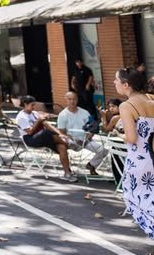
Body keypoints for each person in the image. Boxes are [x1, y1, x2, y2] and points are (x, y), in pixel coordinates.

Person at [114, 67, 154, 238]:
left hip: (140, 160)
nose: (114, 83)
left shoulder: (126, 105)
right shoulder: (152, 99)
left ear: (126, 85)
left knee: (134, 197)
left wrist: (118, 134)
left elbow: (131, 138)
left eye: (116, 80)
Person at [15, 95, 77, 181]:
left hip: (44, 137)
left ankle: (67, 173)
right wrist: (38, 121)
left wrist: (60, 133)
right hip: (31, 139)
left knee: (61, 147)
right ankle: (70, 143)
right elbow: (29, 132)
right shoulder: (21, 117)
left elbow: (47, 125)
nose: (34, 107)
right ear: (25, 104)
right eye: (32, 105)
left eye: (34, 105)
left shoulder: (34, 113)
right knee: (46, 132)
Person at [56, 91, 108, 176]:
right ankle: (68, 171)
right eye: (70, 99)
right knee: (67, 144)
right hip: (72, 140)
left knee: (103, 150)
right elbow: (62, 132)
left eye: (74, 99)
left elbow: (92, 127)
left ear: (77, 100)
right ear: (66, 100)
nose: (72, 101)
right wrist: (73, 139)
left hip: (86, 140)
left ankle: (91, 165)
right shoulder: (62, 115)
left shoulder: (84, 112)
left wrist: (89, 137)